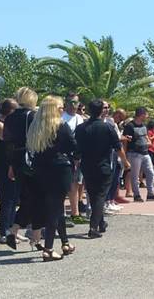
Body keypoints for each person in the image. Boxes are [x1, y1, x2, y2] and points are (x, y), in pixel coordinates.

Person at [27, 96, 78, 261]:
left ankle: (65, 242)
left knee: (55, 206)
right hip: (59, 169)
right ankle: (48, 248)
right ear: (54, 109)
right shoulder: (61, 126)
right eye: (61, 107)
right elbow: (73, 146)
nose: (63, 110)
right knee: (55, 210)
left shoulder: (35, 127)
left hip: (40, 170)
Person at [76, 99, 129, 239]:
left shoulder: (81, 128)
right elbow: (118, 147)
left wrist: (77, 162)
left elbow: (77, 149)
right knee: (100, 196)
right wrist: (125, 162)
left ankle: (101, 222)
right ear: (101, 111)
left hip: (87, 166)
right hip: (103, 166)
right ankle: (93, 227)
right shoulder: (107, 128)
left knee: (93, 195)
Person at [3, 87, 43, 250]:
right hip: (32, 160)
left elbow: (8, 142)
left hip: (18, 160)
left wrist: (11, 164)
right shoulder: (33, 116)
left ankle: (26, 234)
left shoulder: (10, 118)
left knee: (27, 197)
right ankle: (33, 236)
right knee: (36, 198)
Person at [0, 99, 23, 244]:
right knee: (7, 198)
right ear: (10, 111)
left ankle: (12, 229)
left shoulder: (10, 124)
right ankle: (4, 231)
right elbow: (8, 139)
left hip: (12, 164)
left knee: (15, 198)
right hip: (2, 165)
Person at [122, 107, 154, 202]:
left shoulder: (144, 126)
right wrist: (125, 156)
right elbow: (125, 141)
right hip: (134, 153)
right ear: (141, 114)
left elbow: (146, 136)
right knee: (135, 175)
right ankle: (136, 195)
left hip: (145, 152)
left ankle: (150, 194)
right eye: (146, 114)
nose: (147, 117)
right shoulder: (130, 126)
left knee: (150, 172)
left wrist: (148, 142)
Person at [61, 92, 87, 225]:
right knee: (62, 186)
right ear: (65, 103)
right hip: (63, 155)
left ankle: (75, 213)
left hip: (76, 156)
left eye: (75, 102)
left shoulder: (80, 118)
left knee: (75, 185)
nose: (73, 105)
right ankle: (61, 214)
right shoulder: (61, 117)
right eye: (70, 102)